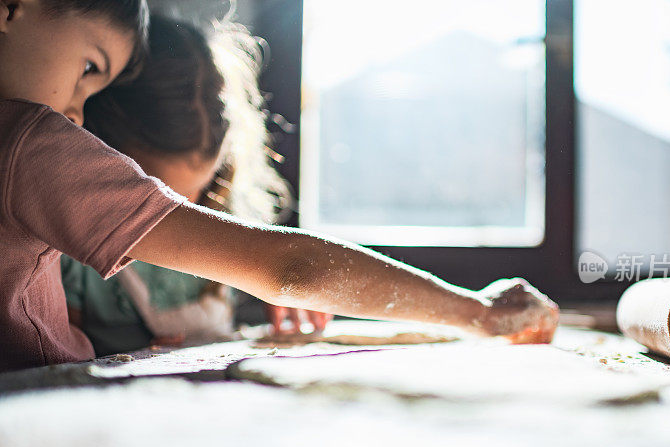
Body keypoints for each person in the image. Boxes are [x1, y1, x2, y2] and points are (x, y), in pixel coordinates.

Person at [0, 0, 559, 373]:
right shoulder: (31, 146)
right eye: (89, 67)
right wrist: (474, 309)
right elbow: (289, 267)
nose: (77, 113)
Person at [61, 14, 330, 355]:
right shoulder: (68, 251)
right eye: (163, 193)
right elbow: (60, 354)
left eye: (201, 190)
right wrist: (137, 352)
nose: (188, 207)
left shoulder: (225, 207)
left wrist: (275, 292)